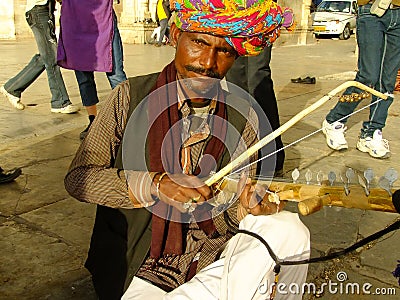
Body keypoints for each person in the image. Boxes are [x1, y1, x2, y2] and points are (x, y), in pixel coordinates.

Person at [65, 1, 309, 299]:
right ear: (174, 35)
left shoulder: (244, 116)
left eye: (225, 51)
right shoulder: (129, 97)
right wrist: (156, 185)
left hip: (210, 257)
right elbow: (79, 178)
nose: (208, 62)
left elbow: (227, 216)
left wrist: (246, 206)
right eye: (198, 42)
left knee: (290, 231)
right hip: (143, 267)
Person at [322, 0, 400, 159]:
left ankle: (371, 134)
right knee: (368, 77)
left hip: (398, 14)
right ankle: (334, 121)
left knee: (387, 82)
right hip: (371, 11)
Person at [57, 0, 127, 140]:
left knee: (115, 73)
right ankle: (93, 120)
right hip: (75, 18)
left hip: (102, 16)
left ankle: (127, 118)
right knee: (83, 75)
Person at [0, 0, 78, 113]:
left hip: (44, 11)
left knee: (46, 56)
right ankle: (60, 102)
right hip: (39, 12)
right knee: (52, 57)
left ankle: (12, 88)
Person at [225, 45, 286, 176]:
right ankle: (243, 154)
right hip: (229, 25)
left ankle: (271, 158)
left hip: (258, 26)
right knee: (235, 79)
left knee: (257, 79)